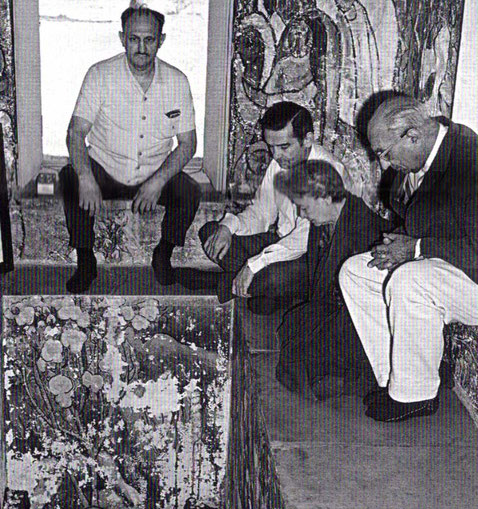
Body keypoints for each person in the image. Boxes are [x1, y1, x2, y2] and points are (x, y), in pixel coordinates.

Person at [339, 94, 478, 422]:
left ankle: (416, 395)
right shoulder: (423, 156)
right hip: (458, 265)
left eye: (385, 154)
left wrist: (415, 250)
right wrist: (399, 246)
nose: (384, 164)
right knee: (358, 271)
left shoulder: (470, 160)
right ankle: (397, 379)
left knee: (410, 280)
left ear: (412, 135)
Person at [60, 4, 201, 293]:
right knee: (69, 177)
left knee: (190, 191)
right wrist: (87, 178)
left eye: (149, 39)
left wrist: (158, 181)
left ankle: (163, 254)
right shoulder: (99, 74)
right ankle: (86, 260)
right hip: (105, 168)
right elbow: (75, 132)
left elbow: (188, 144)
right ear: (122, 38)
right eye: (134, 38)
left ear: (160, 40)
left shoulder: (177, 81)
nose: (141, 47)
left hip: (153, 173)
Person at [195, 101, 354, 309]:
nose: (276, 155)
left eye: (284, 147)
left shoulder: (330, 171)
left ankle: (224, 284)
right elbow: (261, 213)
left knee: (272, 277)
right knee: (211, 233)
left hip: (316, 257)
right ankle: (267, 294)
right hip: (280, 243)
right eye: (271, 147)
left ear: (307, 139)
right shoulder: (279, 163)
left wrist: (255, 264)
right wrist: (228, 226)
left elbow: (305, 239)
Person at [273, 160, 392, 400]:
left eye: (304, 208)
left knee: (317, 337)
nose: (301, 215)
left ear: (326, 197)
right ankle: (321, 374)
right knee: (294, 321)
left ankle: (347, 378)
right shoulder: (325, 220)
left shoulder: (364, 229)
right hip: (336, 305)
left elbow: (372, 304)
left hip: (366, 315)